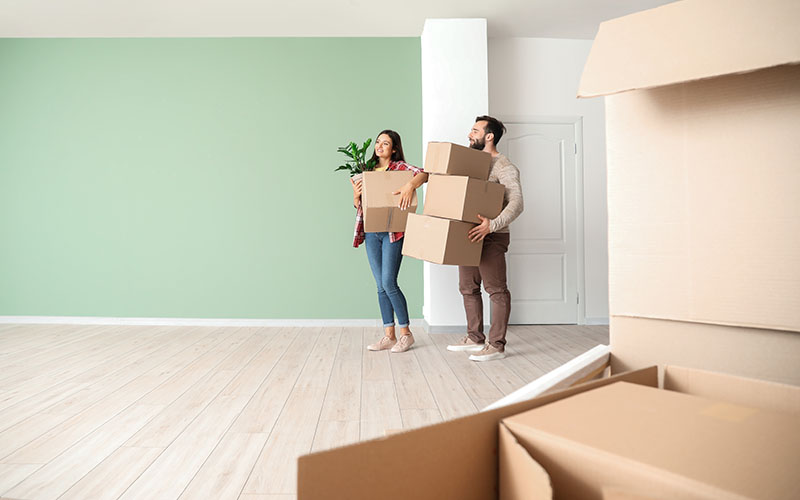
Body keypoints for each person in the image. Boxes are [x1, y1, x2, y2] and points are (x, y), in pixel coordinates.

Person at [447, 116, 523, 361]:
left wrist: (492, 226)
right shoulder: (470, 164)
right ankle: (474, 337)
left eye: (475, 130)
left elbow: (517, 203)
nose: (470, 134)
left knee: (496, 290)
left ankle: (497, 345)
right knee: (468, 288)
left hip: (492, 236)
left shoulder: (504, 166)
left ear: (489, 136)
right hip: (467, 234)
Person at [351, 130, 428, 353]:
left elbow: (424, 174)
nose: (380, 146)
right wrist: (355, 197)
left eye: (385, 143)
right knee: (380, 287)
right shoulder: (365, 170)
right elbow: (361, 204)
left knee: (389, 282)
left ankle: (406, 334)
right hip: (372, 232)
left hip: (393, 232)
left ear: (394, 148)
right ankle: (389, 335)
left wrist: (409, 186)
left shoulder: (400, 168)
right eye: (378, 142)